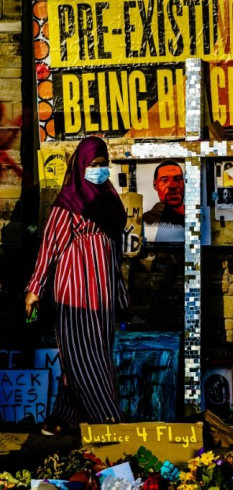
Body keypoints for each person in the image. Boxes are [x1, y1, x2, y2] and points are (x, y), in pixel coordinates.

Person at [25, 136, 128, 435]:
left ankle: (60, 419)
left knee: (92, 355)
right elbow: (50, 248)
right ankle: (112, 425)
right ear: (80, 166)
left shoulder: (109, 201)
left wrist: (120, 295)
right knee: (88, 360)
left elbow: (115, 255)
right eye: (93, 165)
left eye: (103, 164)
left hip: (104, 295)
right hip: (76, 293)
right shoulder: (68, 204)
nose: (99, 170)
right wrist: (35, 289)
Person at [142, 160, 184, 227]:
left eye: (177, 179)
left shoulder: (196, 215)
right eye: (165, 180)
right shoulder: (146, 221)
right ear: (155, 185)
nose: (172, 186)